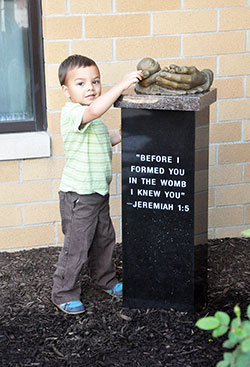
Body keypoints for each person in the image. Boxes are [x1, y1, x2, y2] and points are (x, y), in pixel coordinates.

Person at [51, 54, 142, 315]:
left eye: (96, 81)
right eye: (80, 83)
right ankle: (63, 292)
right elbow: (94, 109)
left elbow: (107, 139)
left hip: (98, 193)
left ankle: (104, 279)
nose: (90, 87)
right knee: (77, 246)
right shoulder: (73, 113)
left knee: (104, 239)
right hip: (78, 195)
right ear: (66, 91)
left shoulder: (95, 121)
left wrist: (124, 133)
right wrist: (121, 85)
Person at [135, 57, 213, 95]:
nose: (157, 63)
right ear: (145, 74)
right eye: (153, 64)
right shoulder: (147, 84)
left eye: (155, 61)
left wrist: (204, 78)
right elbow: (143, 84)